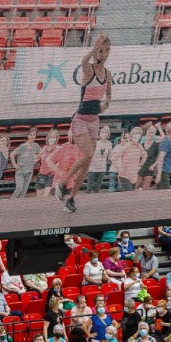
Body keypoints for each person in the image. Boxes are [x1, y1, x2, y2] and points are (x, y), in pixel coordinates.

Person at [55, 33, 112, 213]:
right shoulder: (90, 70)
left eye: (107, 51)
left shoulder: (108, 74)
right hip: (80, 119)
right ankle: (62, 183)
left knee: (87, 163)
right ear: (96, 52)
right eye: (101, 51)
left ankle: (71, 198)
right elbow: (83, 61)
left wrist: (105, 105)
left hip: (94, 120)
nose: (104, 54)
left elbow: (108, 95)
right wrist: (94, 48)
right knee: (88, 154)